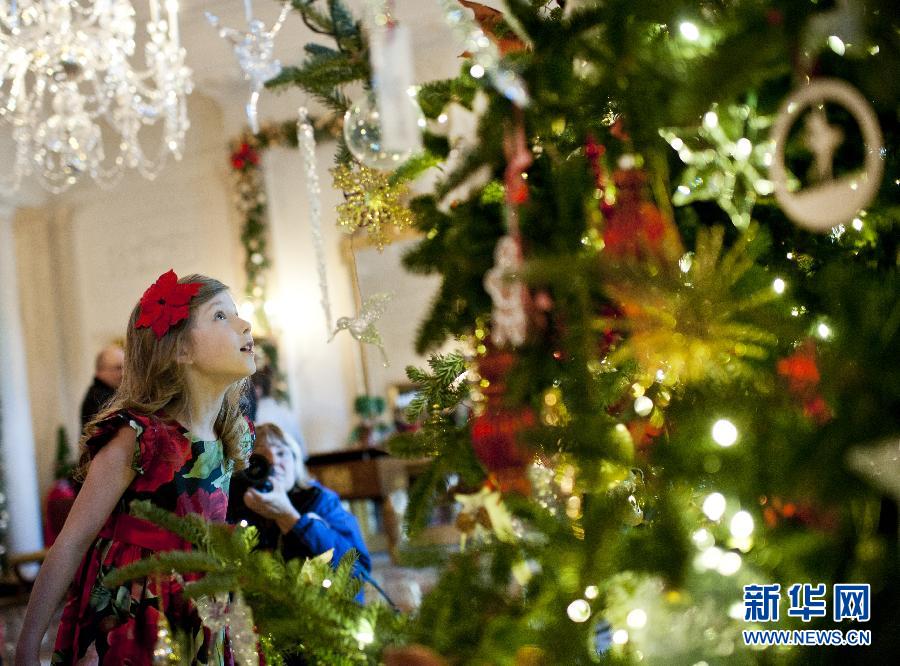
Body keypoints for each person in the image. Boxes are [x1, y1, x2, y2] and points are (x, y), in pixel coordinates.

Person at [16, 269, 256, 666]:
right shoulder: (140, 435)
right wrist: (26, 649)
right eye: (220, 316)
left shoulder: (231, 432)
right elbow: (73, 540)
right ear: (180, 351)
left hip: (202, 605)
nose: (244, 324)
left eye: (237, 313)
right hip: (135, 613)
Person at [227, 423, 371, 598]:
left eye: (281, 453)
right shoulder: (238, 506)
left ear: (295, 461)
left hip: (326, 611)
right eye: (261, 455)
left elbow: (359, 570)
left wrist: (291, 518)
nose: (273, 461)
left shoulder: (321, 501)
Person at [79, 343, 125, 427]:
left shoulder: (110, 393)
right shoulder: (98, 399)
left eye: (125, 367)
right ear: (100, 371)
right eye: (118, 368)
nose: (123, 373)